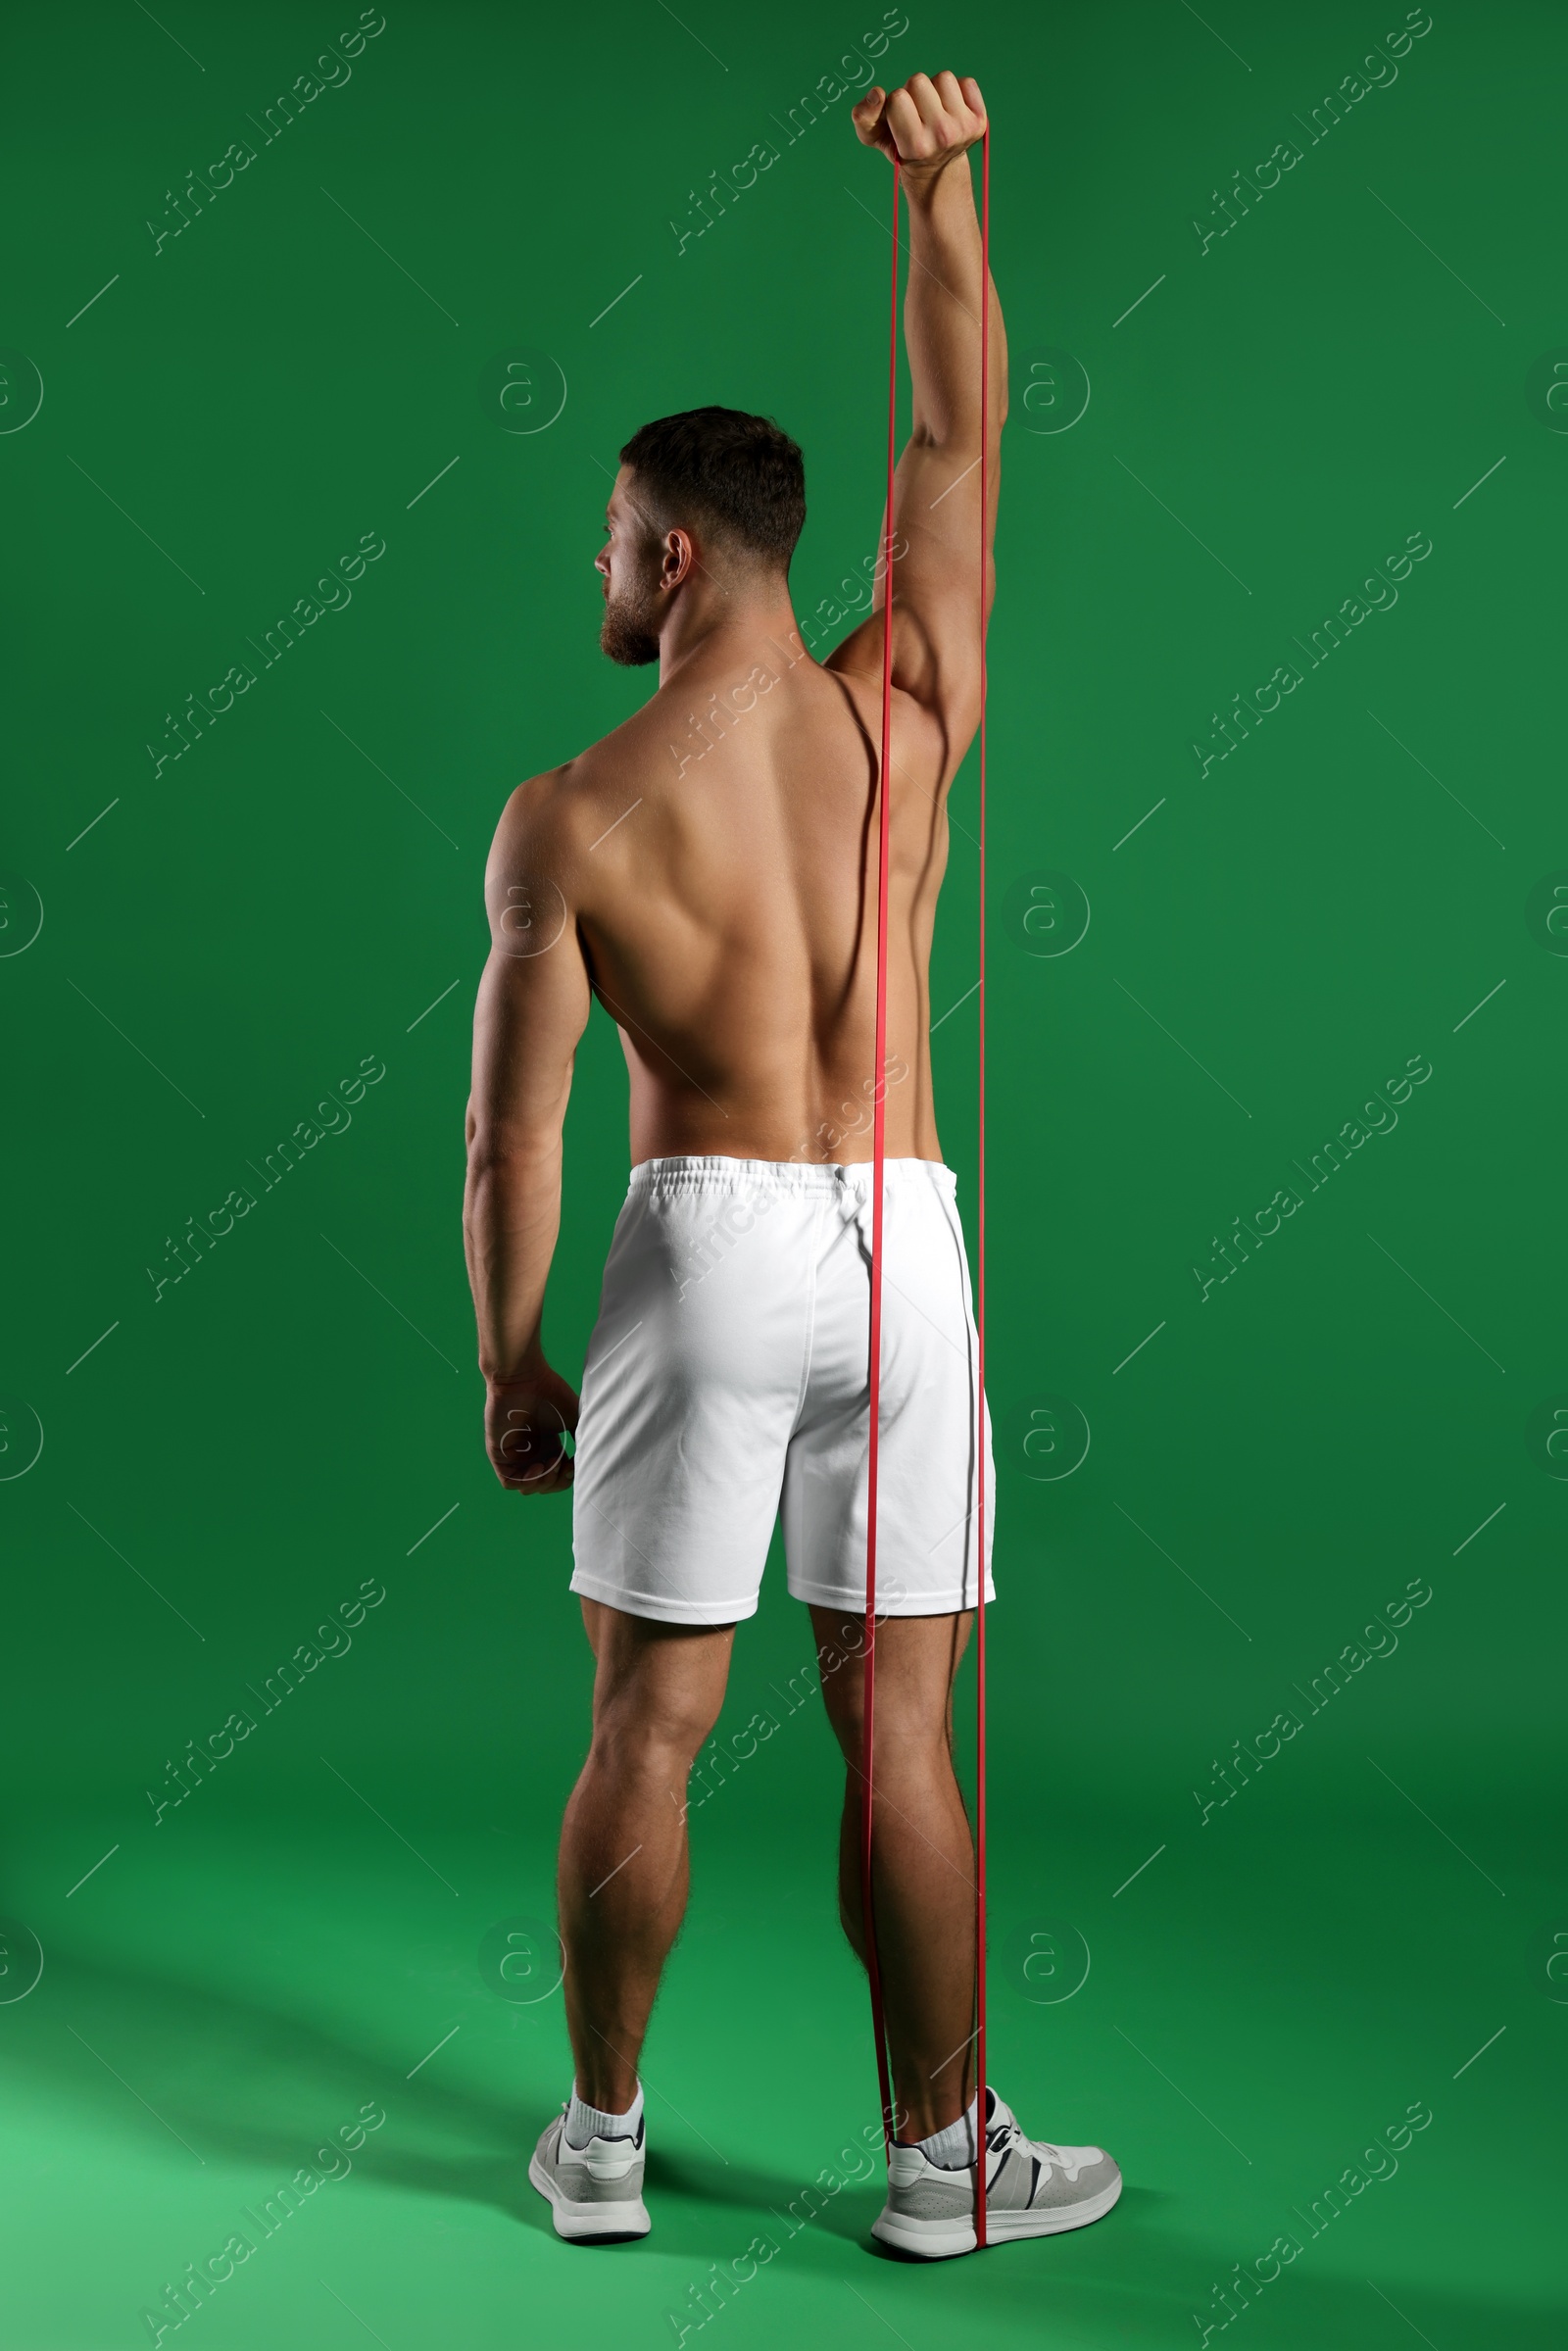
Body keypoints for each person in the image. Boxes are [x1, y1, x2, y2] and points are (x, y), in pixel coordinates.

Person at [463, 69, 1119, 2258]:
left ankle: (607, 2145)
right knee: (902, 1733)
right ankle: (942, 2169)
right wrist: (949, 196)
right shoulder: (896, 715)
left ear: (663, 550)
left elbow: (510, 1131)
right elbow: (958, 447)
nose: (597, 564)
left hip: (706, 1238)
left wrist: (512, 1363)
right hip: (897, 1245)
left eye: (604, 534)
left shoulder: (571, 812)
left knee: (649, 1722)